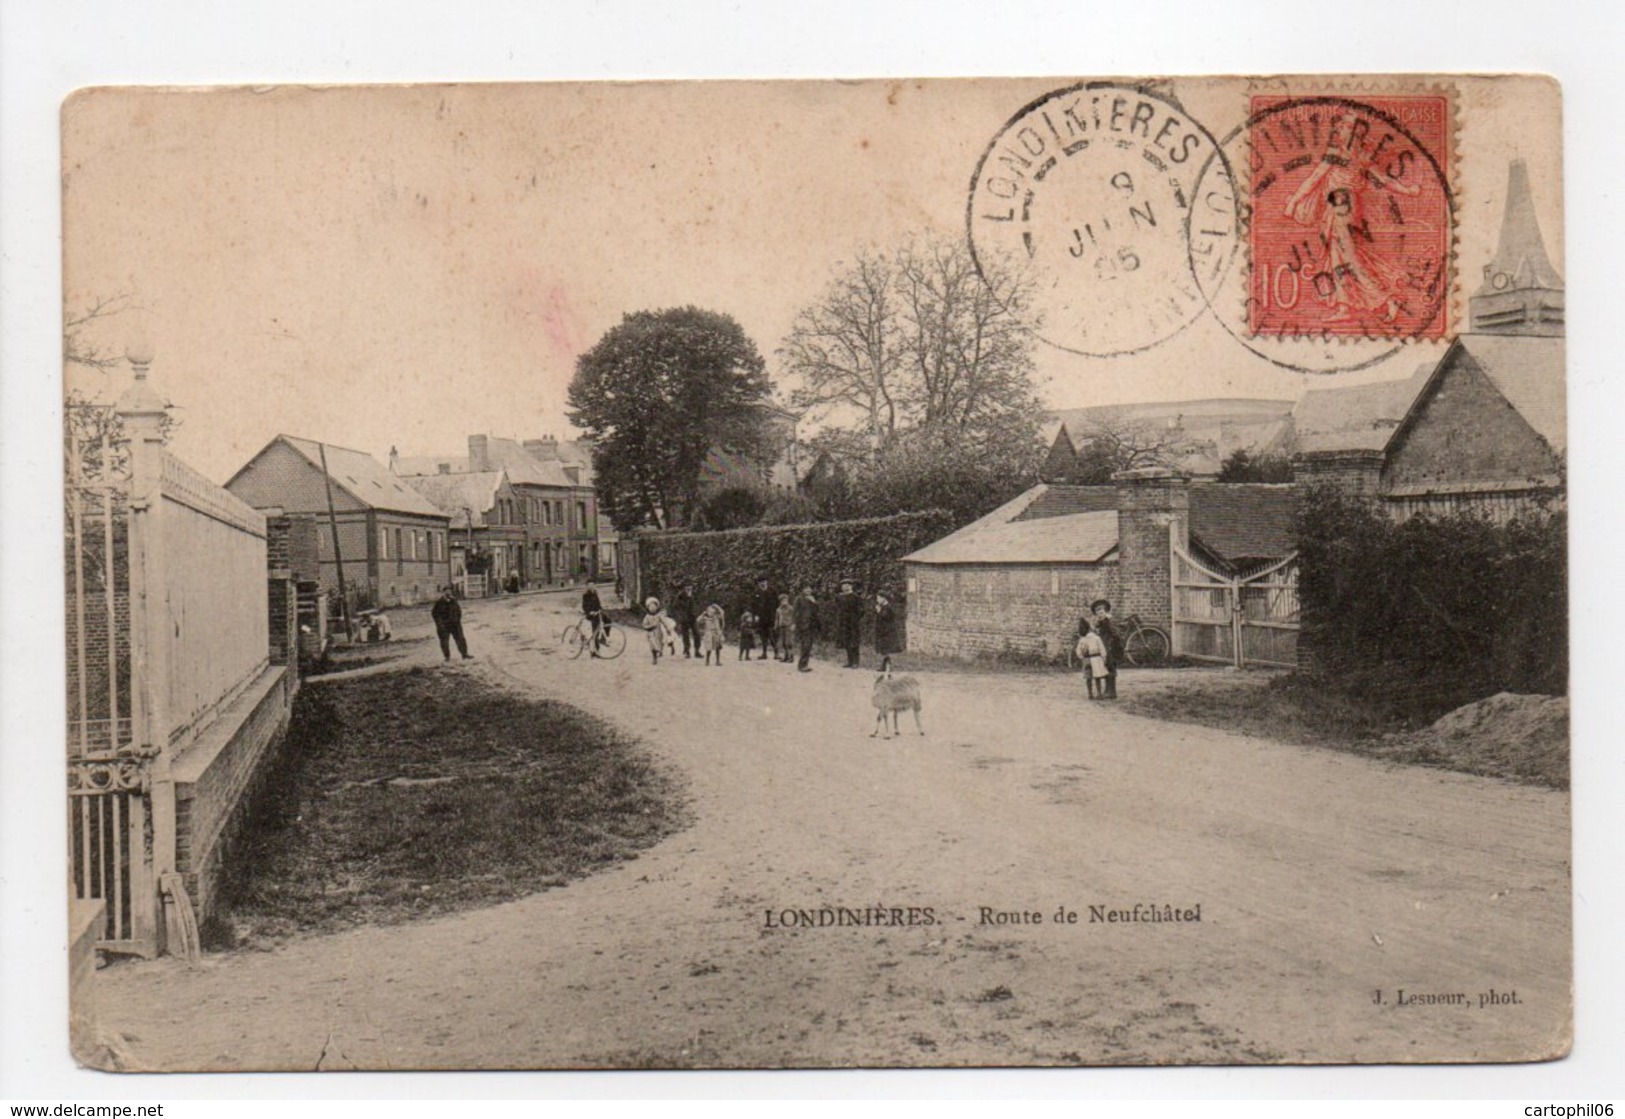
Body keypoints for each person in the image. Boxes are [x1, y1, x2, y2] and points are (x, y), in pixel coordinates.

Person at [1089, 598, 1123, 700]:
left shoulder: (1110, 621)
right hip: (1104, 648)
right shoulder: (1100, 623)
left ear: (1106, 611)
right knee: (1106, 668)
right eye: (1097, 612)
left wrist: (1107, 622)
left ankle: (1112, 691)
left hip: (1111, 648)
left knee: (1111, 668)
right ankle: (1108, 690)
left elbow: (1116, 634)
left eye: (1101, 611)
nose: (1100, 614)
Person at [431, 586, 471, 662]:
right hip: (444, 626)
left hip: (455, 625)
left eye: (450, 591)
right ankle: (447, 657)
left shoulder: (454, 601)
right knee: (444, 642)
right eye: (447, 591)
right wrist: (440, 624)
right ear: (443, 593)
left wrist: (457, 620)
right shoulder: (439, 603)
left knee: (461, 639)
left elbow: (458, 611)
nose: (448, 593)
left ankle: (464, 654)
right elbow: (435, 614)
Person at [1076, 619, 1107, 701]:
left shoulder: (1084, 639)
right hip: (1095, 659)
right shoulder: (1095, 638)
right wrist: (1103, 658)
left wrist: (1082, 657)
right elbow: (1102, 649)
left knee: (1089, 677)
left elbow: (1078, 651)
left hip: (1088, 659)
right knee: (1096, 677)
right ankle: (1098, 693)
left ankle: (1091, 694)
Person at [835, 579, 863, 668]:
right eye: (843, 585)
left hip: (853, 623)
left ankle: (856, 662)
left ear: (850, 586)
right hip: (844, 623)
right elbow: (838, 609)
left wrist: (855, 619)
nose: (844, 587)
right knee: (846, 642)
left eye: (846, 585)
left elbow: (861, 610)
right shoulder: (841, 597)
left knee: (854, 642)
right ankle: (849, 661)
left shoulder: (855, 597)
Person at [873, 591, 901, 675]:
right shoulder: (883, 607)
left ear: (883, 598)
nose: (877, 600)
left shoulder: (888, 607)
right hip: (882, 630)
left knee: (886, 649)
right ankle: (884, 665)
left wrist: (879, 611)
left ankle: (886, 666)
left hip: (888, 631)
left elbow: (885, 617)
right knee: (884, 649)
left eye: (878, 598)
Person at [794, 585, 820, 672]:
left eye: (809, 588)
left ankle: (804, 664)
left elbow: (817, 611)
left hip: (811, 626)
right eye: (806, 588)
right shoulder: (799, 599)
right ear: (802, 590)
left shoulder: (812, 599)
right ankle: (802, 665)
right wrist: (794, 623)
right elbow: (795, 612)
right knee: (805, 645)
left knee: (808, 645)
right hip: (802, 625)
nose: (808, 590)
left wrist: (814, 602)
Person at [672, 583, 699, 659]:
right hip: (684, 619)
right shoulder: (680, 597)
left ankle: (697, 651)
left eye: (690, 588)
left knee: (697, 634)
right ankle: (687, 651)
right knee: (685, 635)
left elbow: (696, 605)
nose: (689, 590)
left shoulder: (693, 595)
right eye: (687, 588)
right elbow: (676, 608)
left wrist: (695, 613)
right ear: (684, 588)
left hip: (692, 618)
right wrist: (681, 618)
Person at [753, 577, 778, 660]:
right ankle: (764, 653)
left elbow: (776, 604)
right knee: (763, 636)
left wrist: (776, 616)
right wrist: (755, 615)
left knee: (772, 635)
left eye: (764, 582)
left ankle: (776, 653)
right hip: (761, 617)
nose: (762, 584)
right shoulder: (757, 592)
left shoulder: (772, 591)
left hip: (771, 617)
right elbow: (754, 605)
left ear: (767, 582)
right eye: (760, 582)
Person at [581, 584, 608, 656]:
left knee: (608, 620)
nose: (592, 586)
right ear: (587, 587)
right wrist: (590, 612)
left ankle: (604, 637)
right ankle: (595, 650)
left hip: (597, 613)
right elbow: (584, 606)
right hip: (591, 614)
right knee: (595, 631)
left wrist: (601, 609)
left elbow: (598, 604)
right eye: (590, 585)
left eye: (593, 585)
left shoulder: (595, 593)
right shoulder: (586, 595)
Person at [641, 596, 670, 665]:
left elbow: (664, 622)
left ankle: (660, 651)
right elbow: (644, 625)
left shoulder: (659, 616)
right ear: (648, 608)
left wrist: (667, 628)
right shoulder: (647, 617)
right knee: (653, 646)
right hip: (650, 633)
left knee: (659, 644)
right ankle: (654, 658)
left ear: (657, 607)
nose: (653, 608)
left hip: (658, 633)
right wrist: (650, 626)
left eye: (654, 607)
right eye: (651, 607)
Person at [774, 593, 796, 664]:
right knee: (783, 642)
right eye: (782, 600)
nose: (784, 602)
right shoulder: (778, 609)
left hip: (789, 626)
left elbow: (794, 617)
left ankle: (791, 656)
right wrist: (776, 625)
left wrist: (793, 625)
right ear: (780, 601)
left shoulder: (791, 608)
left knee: (789, 642)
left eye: (785, 600)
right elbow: (777, 618)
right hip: (782, 626)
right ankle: (786, 656)